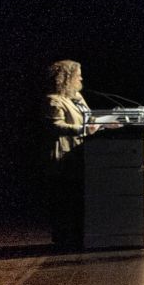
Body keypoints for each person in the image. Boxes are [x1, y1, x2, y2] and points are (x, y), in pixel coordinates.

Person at [42, 59, 98, 248]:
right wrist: (82, 129)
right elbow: (55, 126)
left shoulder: (77, 97)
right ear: (66, 78)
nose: (81, 78)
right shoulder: (53, 100)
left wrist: (104, 122)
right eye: (77, 75)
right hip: (63, 155)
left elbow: (89, 118)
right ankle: (63, 239)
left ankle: (78, 236)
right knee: (64, 197)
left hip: (80, 153)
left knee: (78, 197)